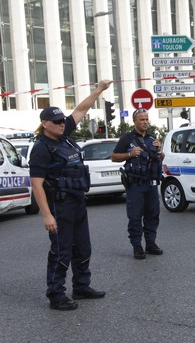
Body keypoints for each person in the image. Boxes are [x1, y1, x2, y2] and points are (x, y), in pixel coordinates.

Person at [29, 79, 112, 311]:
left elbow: (81, 109)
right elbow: (36, 184)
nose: (61, 124)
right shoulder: (42, 148)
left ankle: (81, 286)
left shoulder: (64, 135)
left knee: (83, 248)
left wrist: (99, 90)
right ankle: (56, 294)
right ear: (45, 124)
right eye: (56, 122)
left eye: (61, 120)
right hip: (59, 205)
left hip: (77, 201)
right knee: (61, 251)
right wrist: (47, 215)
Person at [112, 109, 165, 260]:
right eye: (141, 119)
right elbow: (114, 157)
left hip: (152, 183)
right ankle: (137, 246)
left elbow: (160, 158)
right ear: (135, 121)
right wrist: (129, 154)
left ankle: (150, 243)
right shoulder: (127, 139)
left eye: (146, 119)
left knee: (152, 214)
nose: (145, 122)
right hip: (135, 184)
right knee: (135, 216)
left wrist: (160, 151)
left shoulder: (152, 138)